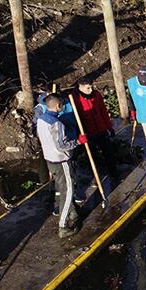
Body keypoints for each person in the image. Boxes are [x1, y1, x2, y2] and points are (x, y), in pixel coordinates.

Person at [36, 93, 87, 238]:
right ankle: (63, 225)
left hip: (50, 160)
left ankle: (72, 211)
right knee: (68, 190)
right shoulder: (56, 123)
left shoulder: (41, 119)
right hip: (61, 161)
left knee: (62, 186)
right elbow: (61, 145)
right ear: (58, 106)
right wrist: (78, 142)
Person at [72, 78, 119, 182]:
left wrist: (109, 127)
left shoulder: (96, 95)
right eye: (88, 88)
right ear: (80, 87)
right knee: (92, 156)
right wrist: (79, 134)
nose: (91, 90)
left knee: (109, 152)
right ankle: (95, 177)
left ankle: (114, 173)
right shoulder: (75, 99)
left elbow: (103, 111)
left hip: (101, 128)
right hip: (87, 132)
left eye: (91, 87)